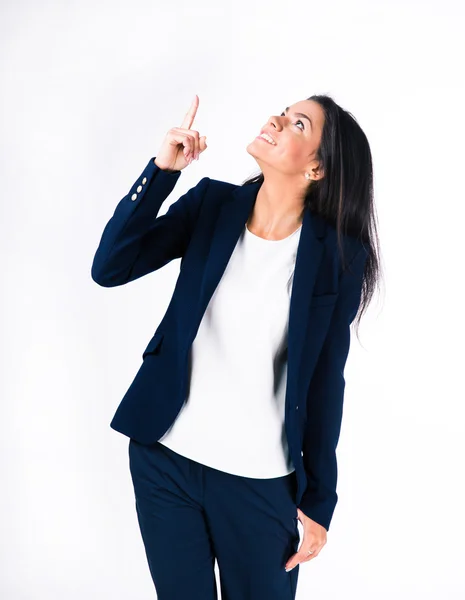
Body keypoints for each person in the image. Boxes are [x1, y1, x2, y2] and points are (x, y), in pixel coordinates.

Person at [91, 94, 381, 599]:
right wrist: (161, 172)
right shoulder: (212, 205)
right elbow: (111, 267)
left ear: (316, 167)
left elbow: (325, 382)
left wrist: (319, 502)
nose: (275, 119)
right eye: (283, 110)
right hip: (166, 458)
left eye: (297, 123)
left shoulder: (338, 257)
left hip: (259, 481)